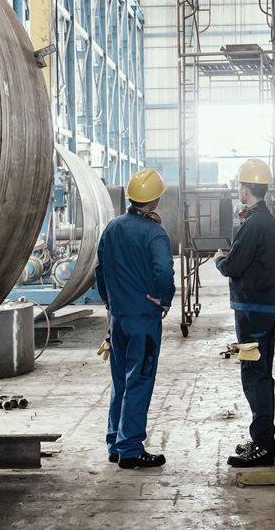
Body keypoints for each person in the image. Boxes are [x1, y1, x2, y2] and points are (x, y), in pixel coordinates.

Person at [94, 167, 175, 470]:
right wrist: (164, 298)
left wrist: (110, 301)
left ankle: (116, 441)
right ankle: (130, 450)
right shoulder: (155, 233)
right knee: (139, 381)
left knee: (120, 381)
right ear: (154, 201)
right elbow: (164, 271)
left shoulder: (113, 227)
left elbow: (100, 270)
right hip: (143, 321)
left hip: (119, 320)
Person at [214, 158, 275, 468]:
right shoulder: (265, 220)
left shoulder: (255, 223)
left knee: (254, 375)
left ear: (244, 189)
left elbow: (233, 266)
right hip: (262, 308)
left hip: (253, 312)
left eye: (238, 187)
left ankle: (263, 446)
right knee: (260, 374)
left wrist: (219, 259)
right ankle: (261, 439)